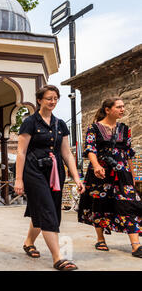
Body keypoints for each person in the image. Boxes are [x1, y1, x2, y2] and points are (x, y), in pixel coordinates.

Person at [14, 85, 85, 271]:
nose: (52, 101)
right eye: (48, 98)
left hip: (55, 173)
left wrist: (77, 178)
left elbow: (67, 154)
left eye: (55, 98)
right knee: (47, 210)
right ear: (39, 100)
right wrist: (18, 179)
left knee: (46, 209)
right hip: (33, 172)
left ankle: (29, 242)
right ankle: (58, 258)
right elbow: (21, 152)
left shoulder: (60, 124)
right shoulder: (30, 122)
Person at [78, 97, 142, 258]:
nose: (123, 109)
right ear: (107, 109)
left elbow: (128, 154)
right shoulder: (94, 128)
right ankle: (100, 239)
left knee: (130, 204)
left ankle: (136, 245)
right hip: (100, 173)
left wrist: (133, 176)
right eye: (119, 107)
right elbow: (90, 149)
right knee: (99, 204)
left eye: (123, 106)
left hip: (122, 173)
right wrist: (97, 166)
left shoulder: (125, 129)